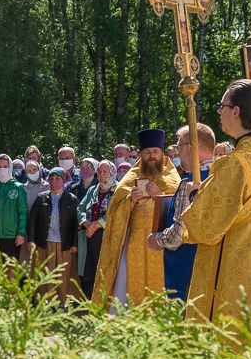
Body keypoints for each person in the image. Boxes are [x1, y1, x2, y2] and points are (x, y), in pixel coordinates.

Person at [152, 80, 251, 327]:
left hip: (237, 268)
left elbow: (206, 226)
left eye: (222, 106)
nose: (219, 112)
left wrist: (195, 197)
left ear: (236, 111)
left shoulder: (235, 164)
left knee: (231, 336)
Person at [93, 129, 181, 308]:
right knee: (130, 284)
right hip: (135, 240)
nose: (152, 156)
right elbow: (113, 211)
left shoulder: (171, 176)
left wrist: (160, 194)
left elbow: (182, 205)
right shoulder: (131, 176)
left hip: (162, 239)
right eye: (147, 152)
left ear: (162, 153)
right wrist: (130, 200)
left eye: (155, 151)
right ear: (141, 154)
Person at [147, 124, 215, 302]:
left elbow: (178, 234)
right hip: (213, 268)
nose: (177, 153)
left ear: (192, 147)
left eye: (179, 146)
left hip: (184, 269)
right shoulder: (222, 176)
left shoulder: (191, 183)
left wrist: (157, 239)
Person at [26, 170, 80, 303]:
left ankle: (62, 302)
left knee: (63, 274)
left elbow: (76, 224)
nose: (54, 181)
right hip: (45, 242)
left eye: (57, 178)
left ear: (63, 180)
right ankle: (46, 301)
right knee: (46, 272)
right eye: (51, 178)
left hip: (64, 243)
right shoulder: (41, 198)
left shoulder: (72, 199)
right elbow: (32, 220)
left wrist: (74, 243)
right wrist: (31, 240)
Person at [77, 160, 117, 299]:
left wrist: (98, 224)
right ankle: (90, 299)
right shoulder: (93, 189)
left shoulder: (118, 190)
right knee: (89, 268)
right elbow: (80, 208)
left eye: (105, 172)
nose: (101, 175)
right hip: (89, 235)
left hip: (107, 236)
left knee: (105, 269)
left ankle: (105, 299)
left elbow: (117, 212)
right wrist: (86, 223)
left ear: (112, 173)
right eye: (99, 171)